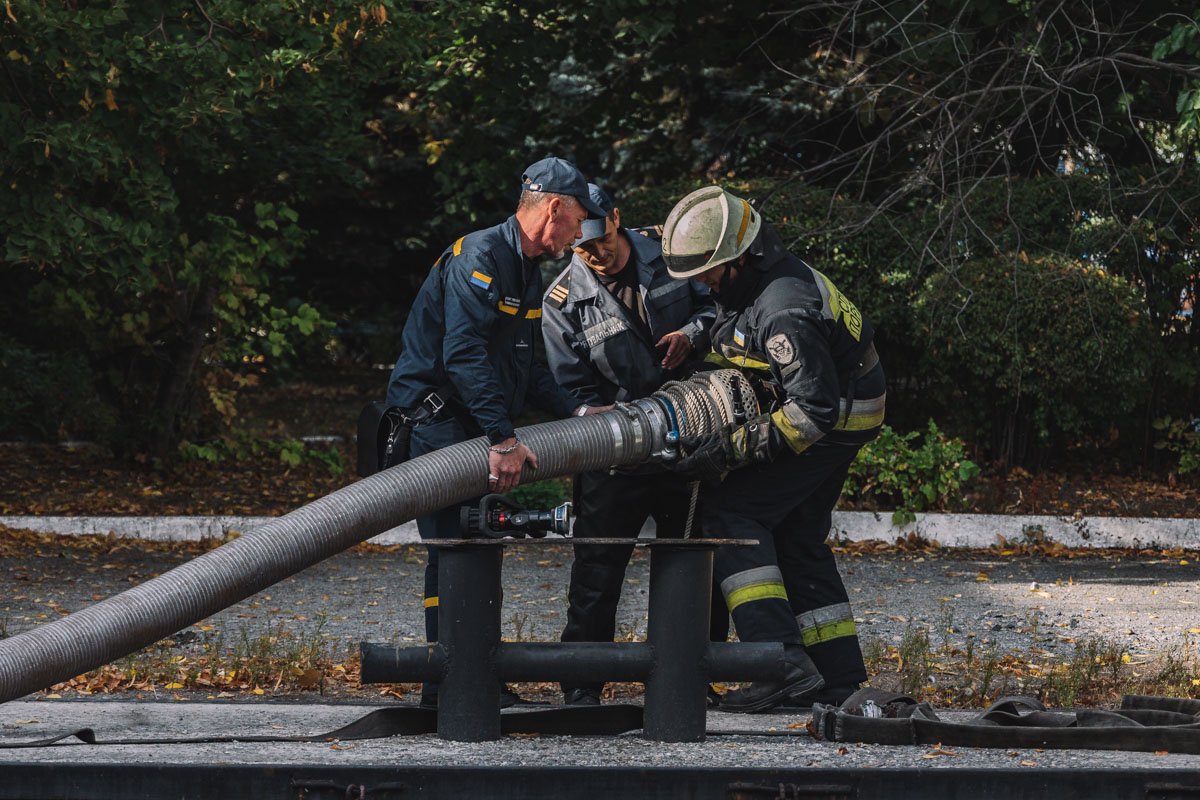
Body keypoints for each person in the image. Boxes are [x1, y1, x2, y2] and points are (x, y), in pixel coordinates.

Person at [384, 157, 609, 708]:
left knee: (480, 548)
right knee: (454, 551)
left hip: (470, 426)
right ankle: (447, 687)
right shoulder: (479, 257)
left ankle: (474, 679)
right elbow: (463, 357)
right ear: (553, 208)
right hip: (437, 425)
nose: (581, 234)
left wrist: (580, 412)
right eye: (579, 220)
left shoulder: (525, 267)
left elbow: (525, 368)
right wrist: (503, 440)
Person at [661, 186, 886, 713]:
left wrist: (729, 450)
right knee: (797, 536)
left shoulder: (784, 307)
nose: (701, 282)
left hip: (832, 420)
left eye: (707, 272)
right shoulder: (758, 279)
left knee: (732, 515)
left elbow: (812, 412)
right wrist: (695, 338)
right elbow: (735, 325)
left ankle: (777, 664)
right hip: (844, 409)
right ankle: (838, 678)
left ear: (739, 257)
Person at [541, 183, 718, 706]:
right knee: (596, 572)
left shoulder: (670, 254)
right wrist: (588, 416)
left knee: (691, 567)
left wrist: (693, 334)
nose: (596, 253)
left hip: (686, 445)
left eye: (601, 239)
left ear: (616, 219)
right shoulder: (562, 301)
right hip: (614, 457)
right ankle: (582, 684)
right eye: (583, 247)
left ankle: (690, 678)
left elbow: (719, 307)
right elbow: (568, 388)